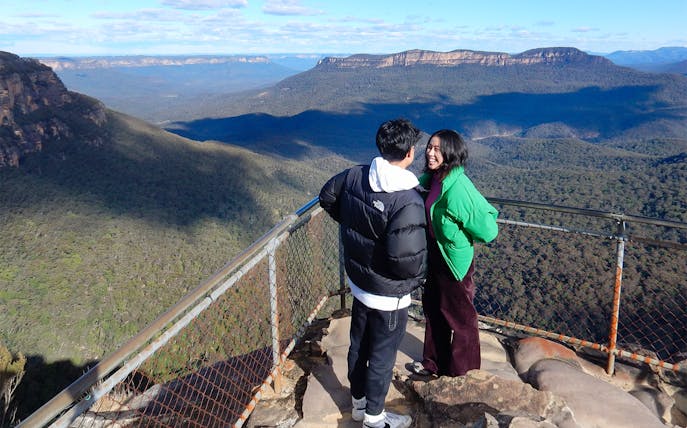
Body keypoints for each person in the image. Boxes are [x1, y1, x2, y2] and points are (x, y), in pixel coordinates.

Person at [319, 118, 428, 428]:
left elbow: (326, 196)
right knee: (382, 355)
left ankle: (358, 404)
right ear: (410, 153)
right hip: (388, 295)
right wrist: (417, 281)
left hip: (360, 283)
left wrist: (353, 227)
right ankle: (375, 418)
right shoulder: (408, 199)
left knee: (359, 344)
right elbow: (407, 261)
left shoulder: (354, 175)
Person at [409, 129, 498, 378]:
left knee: (461, 319)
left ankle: (463, 375)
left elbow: (488, 230)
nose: (430, 152)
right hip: (436, 255)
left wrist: (461, 234)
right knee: (435, 310)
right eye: (429, 147)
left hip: (455, 263)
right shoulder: (435, 178)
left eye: (437, 149)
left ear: (451, 152)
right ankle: (433, 365)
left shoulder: (458, 188)